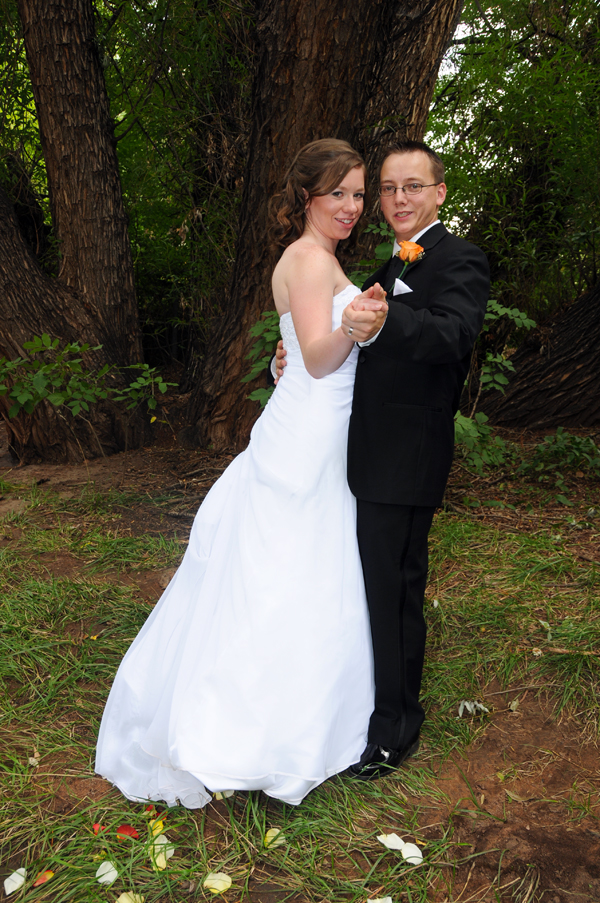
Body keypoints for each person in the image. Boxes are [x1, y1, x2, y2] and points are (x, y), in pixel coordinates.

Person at [95, 138, 388, 808]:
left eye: (358, 193)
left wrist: (338, 332)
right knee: (292, 568)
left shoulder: (308, 259)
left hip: (312, 423)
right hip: (312, 430)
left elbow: (294, 350)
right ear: (307, 198)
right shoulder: (310, 261)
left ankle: (298, 719)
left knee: (298, 566)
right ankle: (264, 732)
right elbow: (317, 357)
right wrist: (362, 323)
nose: (351, 205)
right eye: (338, 192)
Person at [276, 141, 490, 780]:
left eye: (412, 186)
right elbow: (336, 347)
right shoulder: (380, 261)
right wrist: (286, 361)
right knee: (365, 588)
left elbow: (451, 336)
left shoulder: (461, 260)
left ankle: (396, 730)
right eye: (389, 188)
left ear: (439, 193)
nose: (398, 198)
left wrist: (382, 321)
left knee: (395, 594)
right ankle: (356, 710)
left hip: (406, 456)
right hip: (360, 453)